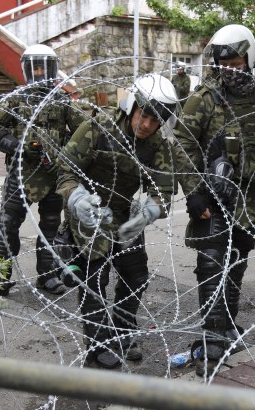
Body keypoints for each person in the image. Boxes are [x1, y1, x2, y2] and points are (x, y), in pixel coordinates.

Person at [171, 24, 255, 377]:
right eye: (223, 62)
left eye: (235, 62)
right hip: (212, 192)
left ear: (249, 58)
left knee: (235, 262)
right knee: (211, 263)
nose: (229, 68)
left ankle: (226, 326)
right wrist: (194, 190)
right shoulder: (206, 97)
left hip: (248, 197)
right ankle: (212, 339)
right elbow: (182, 143)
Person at [56, 74, 178, 369]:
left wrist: (147, 213)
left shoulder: (157, 146)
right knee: (95, 279)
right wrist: (77, 199)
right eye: (143, 115)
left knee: (135, 275)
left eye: (155, 121)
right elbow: (65, 170)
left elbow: (163, 191)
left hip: (124, 214)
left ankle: (123, 331)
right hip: (88, 212)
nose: (146, 125)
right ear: (131, 106)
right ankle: (98, 345)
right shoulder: (97, 129)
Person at [0, 44, 84, 296]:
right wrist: (15, 146)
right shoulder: (16, 98)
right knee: (8, 224)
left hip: (53, 174)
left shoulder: (62, 100)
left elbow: (83, 130)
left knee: (50, 226)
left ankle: (47, 276)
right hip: (21, 173)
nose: (40, 73)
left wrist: (68, 152)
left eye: (44, 68)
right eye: (35, 68)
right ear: (28, 70)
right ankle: (0, 276)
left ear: (52, 69)